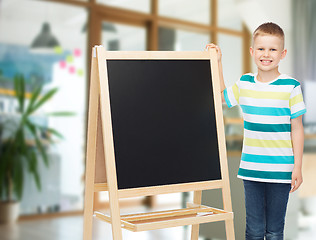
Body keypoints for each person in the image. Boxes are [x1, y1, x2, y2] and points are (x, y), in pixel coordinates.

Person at [206, 22, 306, 240]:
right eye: (261, 48)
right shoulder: (244, 83)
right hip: (251, 170)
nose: (266, 54)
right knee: (253, 230)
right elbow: (221, 96)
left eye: (272, 49)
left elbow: (297, 129)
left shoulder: (291, 86)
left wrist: (297, 166)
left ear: (282, 54)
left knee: (274, 231)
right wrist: (218, 62)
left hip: (281, 171)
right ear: (252, 52)